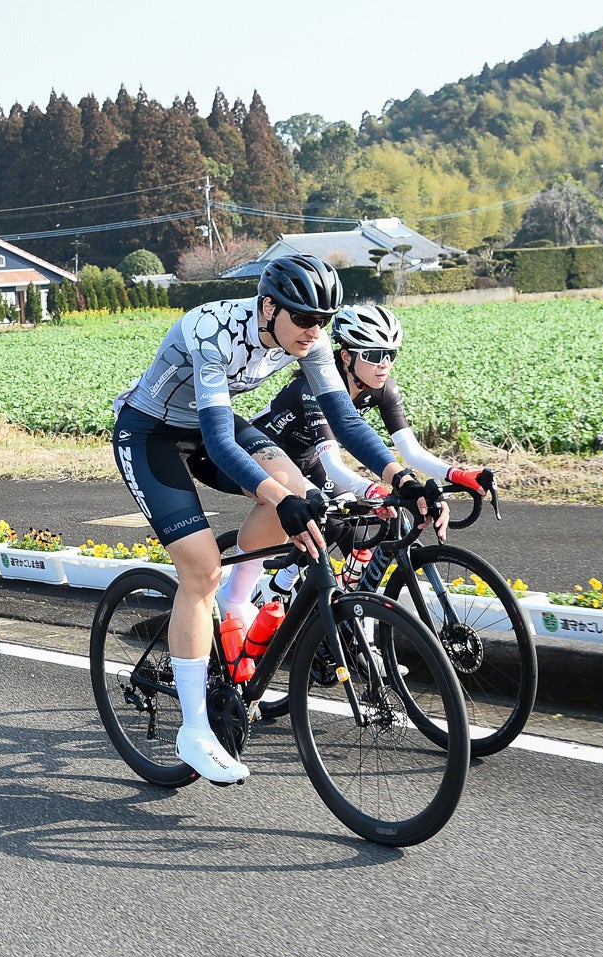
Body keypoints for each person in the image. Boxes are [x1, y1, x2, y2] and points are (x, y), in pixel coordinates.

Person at [111, 255, 445, 785]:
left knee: (305, 493)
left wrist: (399, 478)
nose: (315, 332)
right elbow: (220, 443)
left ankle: (239, 603)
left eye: (324, 321)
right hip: (150, 433)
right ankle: (194, 729)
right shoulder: (213, 328)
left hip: (206, 427)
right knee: (200, 569)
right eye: (305, 319)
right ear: (269, 307)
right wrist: (276, 497)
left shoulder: (307, 343)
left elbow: (345, 421)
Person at [250, 304, 493, 597]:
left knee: (358, 534)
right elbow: (334, 466)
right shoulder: (315, 387)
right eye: (375, 355)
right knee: (331, 515)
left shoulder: (382, 388)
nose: (385, 364)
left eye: (391, 355)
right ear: (346, 356)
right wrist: (374, 490)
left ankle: (343, 610)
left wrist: (457, 474)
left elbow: (411, 451)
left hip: (311, 457)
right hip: (270, 454)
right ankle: (278, 586)